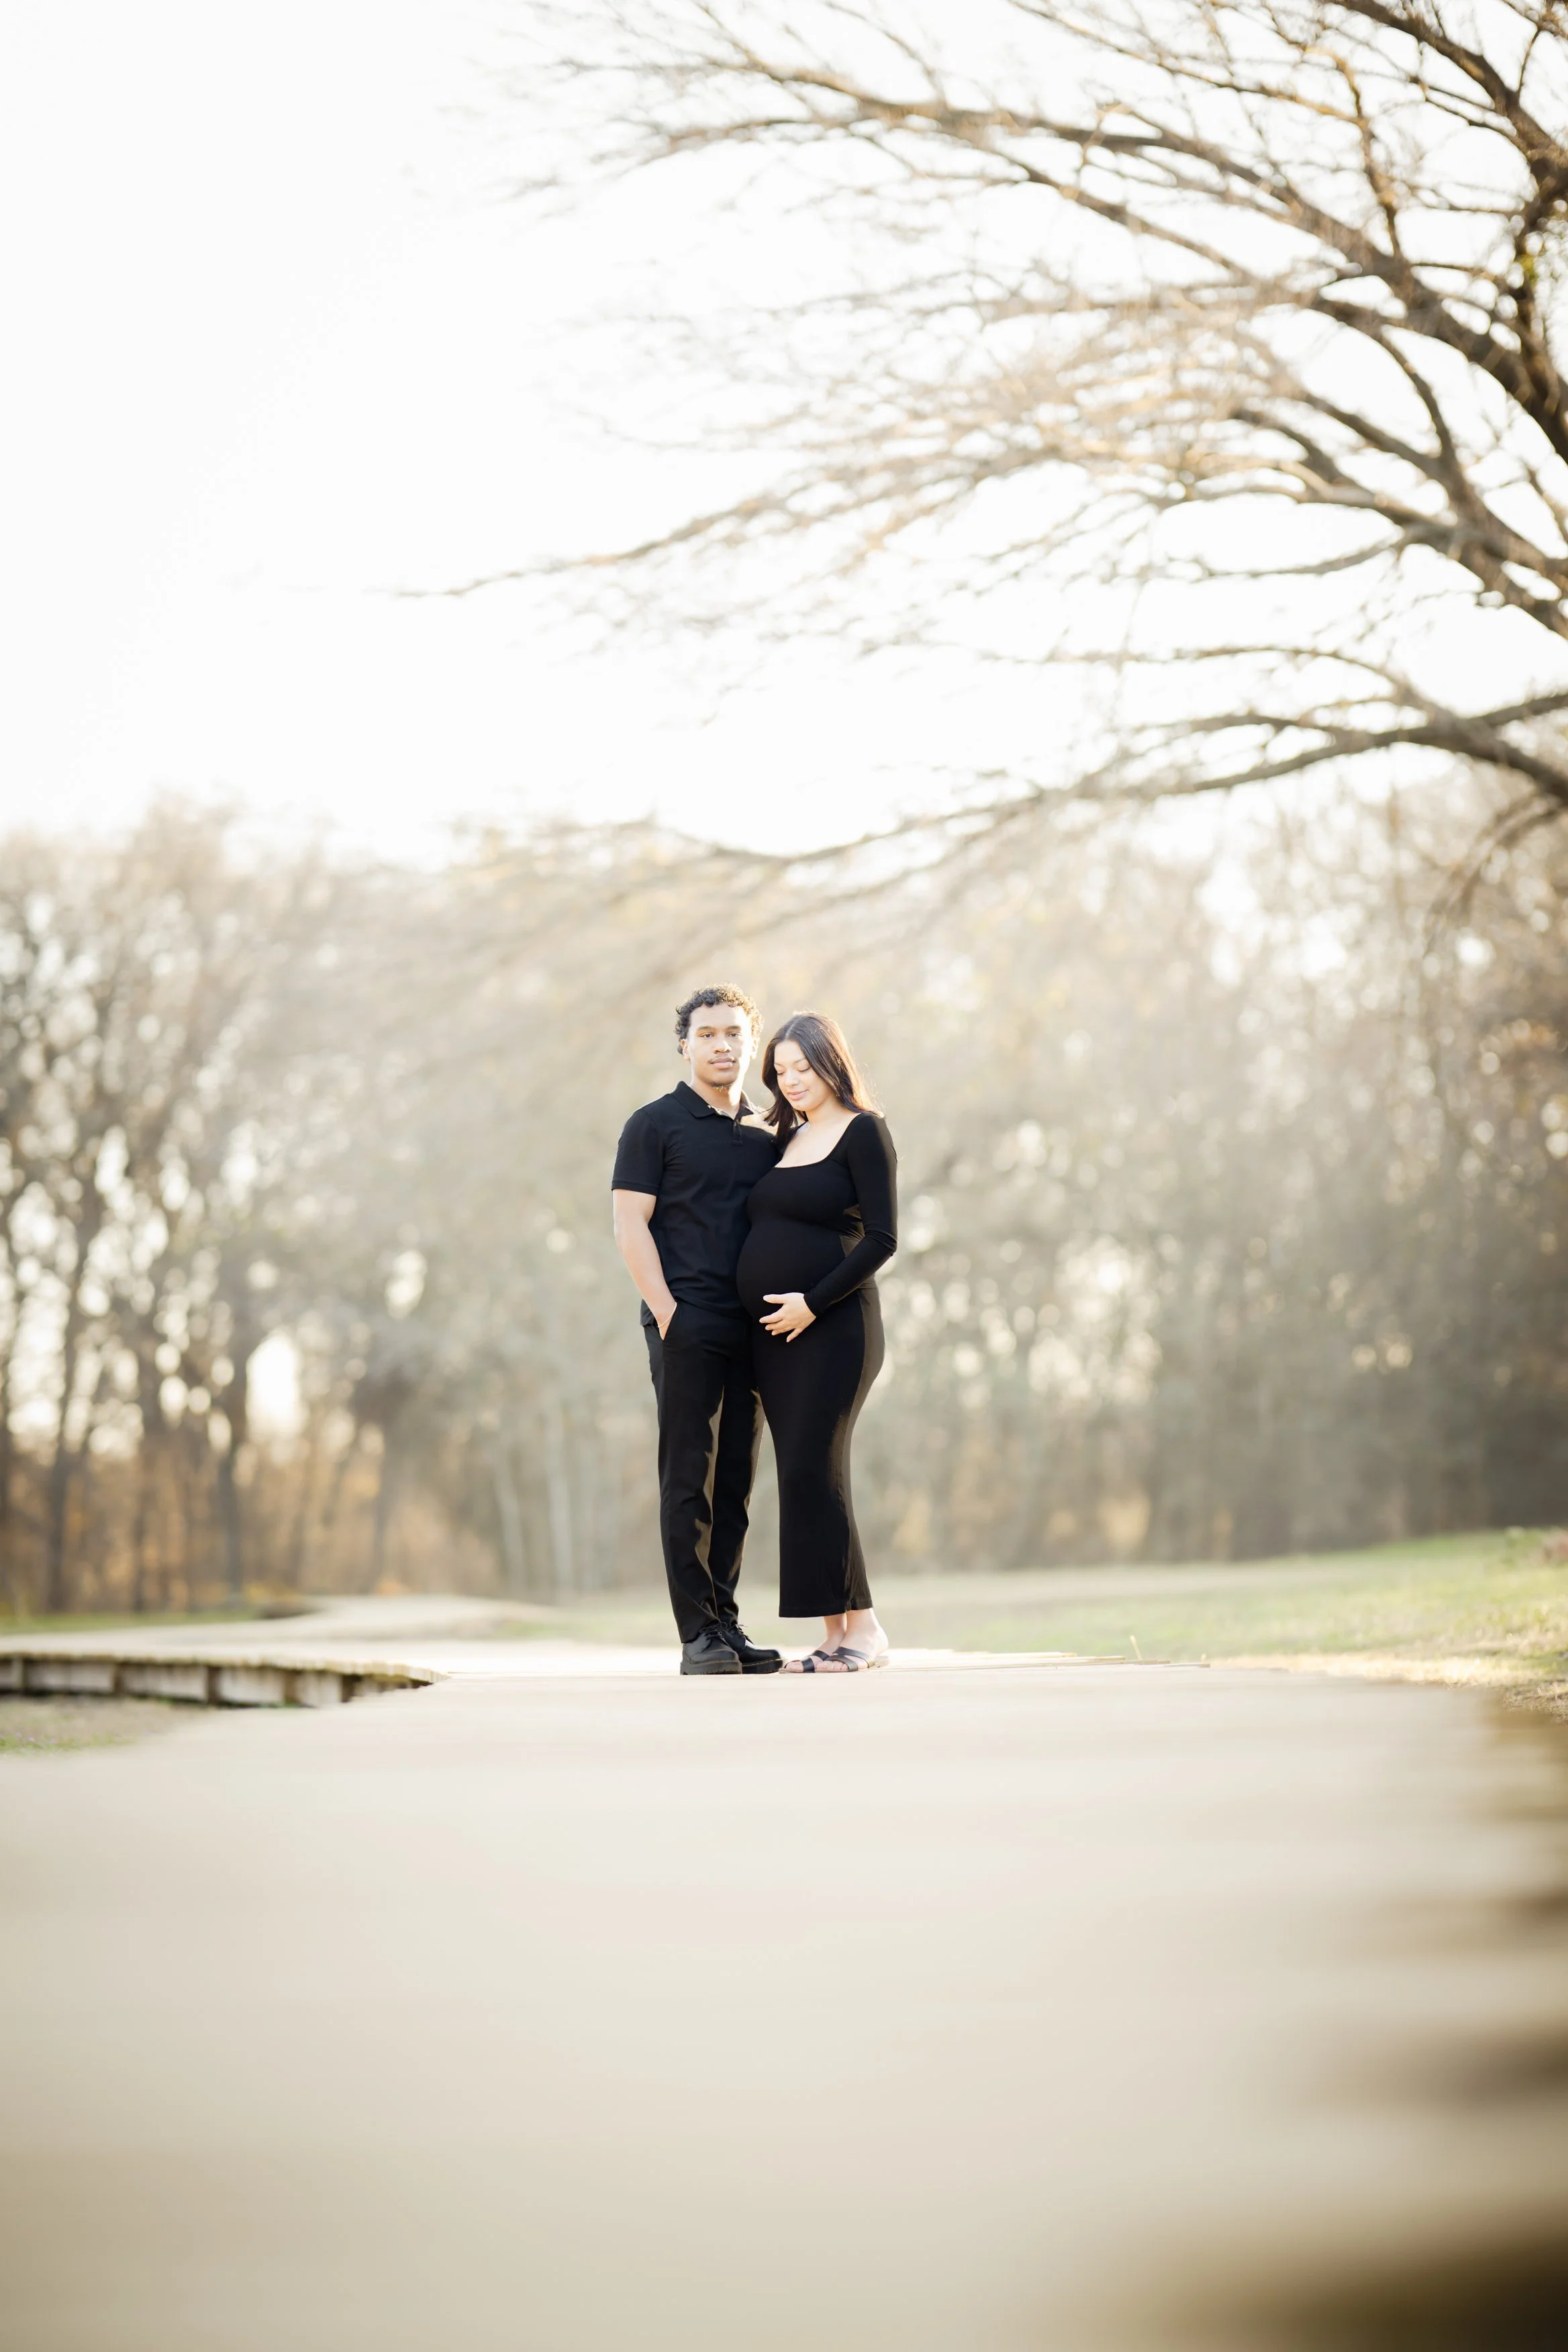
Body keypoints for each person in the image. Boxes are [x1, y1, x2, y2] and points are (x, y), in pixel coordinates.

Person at [611, 987, 785, 1676]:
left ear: (751, 1043)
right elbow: (629, 1224)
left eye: (732, 1035)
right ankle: (696, 1637)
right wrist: (667, 1310)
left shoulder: (770, 1129)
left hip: (758, 1330)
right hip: (685, 1320)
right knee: (689, 1476)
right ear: (684, 1043)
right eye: (706, 1033)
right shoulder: (653, 1125)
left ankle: (728, 1624)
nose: (720, 1045)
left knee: (736, 1481)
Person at [737, 1012, 897, 1672]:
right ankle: (832, 1634)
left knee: (819, 1467)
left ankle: (864, 1631)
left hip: (835, 1328)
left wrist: (810, 1302)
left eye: (801, 1067)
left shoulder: (864, 1132)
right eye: (779, 1072)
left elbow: (883, 1240)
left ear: (831, 1062)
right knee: (800, 1474)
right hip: (776, 1340)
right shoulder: (786, 1136)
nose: (791, 1081)